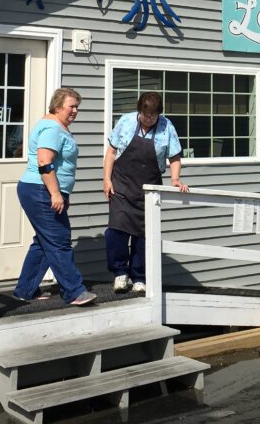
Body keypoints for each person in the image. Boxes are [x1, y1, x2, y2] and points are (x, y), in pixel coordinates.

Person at [13, 87, 97, 306]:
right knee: (59, 240)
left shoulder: (55, 125)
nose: (75, 111)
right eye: (71, 106)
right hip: (42, 190)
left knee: (44, 242)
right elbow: (44, 162)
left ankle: (25, 289)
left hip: (39, 190)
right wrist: (55, 193)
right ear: (58, 106)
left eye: (77, 107)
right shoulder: (52, 128)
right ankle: (74, 291)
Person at [103, 91, 189, 294]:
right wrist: (106, 179)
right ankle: (120, 273)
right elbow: (112, 152)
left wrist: (175, 179)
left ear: (159, 114)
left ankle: (139, 277)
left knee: (143, 236)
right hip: (121, 185)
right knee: (116, 231)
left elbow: (175, 157)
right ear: (139, 110)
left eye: (153, 116)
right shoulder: (125, 121)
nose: (148, 119)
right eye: (145, 115)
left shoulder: (167, 127)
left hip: (149, 188)